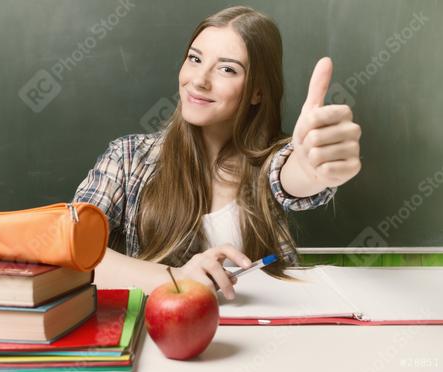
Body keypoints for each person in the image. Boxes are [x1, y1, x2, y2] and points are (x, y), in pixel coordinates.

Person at [73, 6, 361, 300]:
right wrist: (178, 279)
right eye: (195, 59)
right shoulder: (128, 158)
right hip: (153, 338)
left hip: (264, 338)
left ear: (257, 92)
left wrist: (310, 166)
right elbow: (68, 250)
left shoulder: (273, 160)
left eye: (227, 69)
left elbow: (291, 176)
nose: (199, 80)